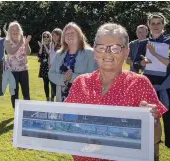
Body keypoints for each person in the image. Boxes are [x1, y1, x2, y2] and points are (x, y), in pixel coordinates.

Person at [65, 22, 167, 161]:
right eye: (101, 47)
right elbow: (64, 122)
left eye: (115, 48)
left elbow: (155, 138)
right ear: (94, 51)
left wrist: (151, 120)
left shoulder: (140, 83)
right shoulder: (81, 83)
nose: (107, 53)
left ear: (126, 52)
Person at [133, 12, 170, 149]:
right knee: (148, 120)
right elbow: (136, 63)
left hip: (167, 87)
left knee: (169, 119)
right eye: (152, 23)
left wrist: (154, 54)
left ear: (163, 24)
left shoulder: (169, 41)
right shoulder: (143, 43)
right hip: (148, 87)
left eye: (158, 23)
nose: (155, 26)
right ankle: (151, 150)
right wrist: (143, 63)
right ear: (149, 25)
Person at [48, 22, 97, 102]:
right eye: (66, 34)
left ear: (79, 35)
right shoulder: (59, 54)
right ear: (63, 38)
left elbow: (93, 78)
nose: (69, 35)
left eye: (72, 33)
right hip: (61, 100)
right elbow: (51, 74)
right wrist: (64, 78)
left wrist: (72, 77)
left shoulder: (90, 53)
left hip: (82, 101)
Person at [3, 21, 32, 109]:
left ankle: (26, 111)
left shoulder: (23, 39)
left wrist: (26, 44)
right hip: (12, 71)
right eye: (12, 29)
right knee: (14, 93)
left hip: (23, 70)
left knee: (26, 92)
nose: (15, 31)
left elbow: (28, 52)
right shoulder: (7, 41)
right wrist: (21, 43)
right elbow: (10, 52)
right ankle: (17, 113)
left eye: (17, 29)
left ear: (20, 30)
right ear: (9, 31)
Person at [37, 31, 52, 101]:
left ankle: (52, 97)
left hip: (50, 66)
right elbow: (39, 56)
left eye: (47, 36)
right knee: (45, 83)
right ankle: (47, 98)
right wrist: (41, 47)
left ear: (50, 37)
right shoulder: (42, 46)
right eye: (44, 37)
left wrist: (44, 45)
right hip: (43, 67)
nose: (45, 38)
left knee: (52, 83)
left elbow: (50, 54)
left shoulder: (52, 45)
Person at [49, 28, 62, 102]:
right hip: (51, 68)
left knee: (57, 87)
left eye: (56, 35)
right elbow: (50, 55)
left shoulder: (62, 45)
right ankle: (52, 100)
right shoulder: (51, 44)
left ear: (60, 36)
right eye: (53, 35)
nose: (54, 37)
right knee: (52, 86)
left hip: (58, 70)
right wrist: (49, 63)